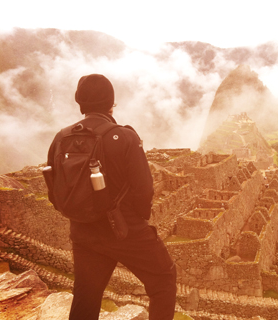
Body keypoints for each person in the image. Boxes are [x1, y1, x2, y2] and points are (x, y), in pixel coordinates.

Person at [46, 74, 177, 320]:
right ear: (111, 103)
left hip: (83, 232)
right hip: (125, 228)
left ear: (79, 102)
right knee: (163, 280)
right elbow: (143, 189)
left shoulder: (61, 138)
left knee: (87, 294)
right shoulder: (125, 137)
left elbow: (54, 190)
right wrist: (136, 221)